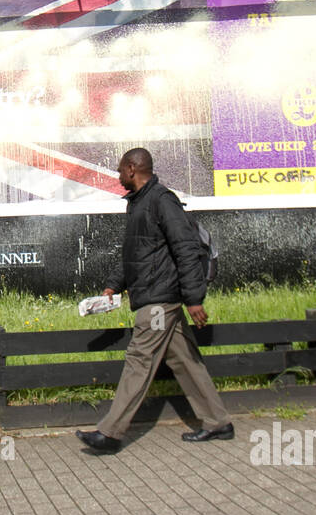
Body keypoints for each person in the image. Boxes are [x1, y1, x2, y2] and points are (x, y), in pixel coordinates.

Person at [76, 148, 233, 453]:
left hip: (159, 301)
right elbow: (135, 254)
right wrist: (113, 287)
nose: (118, 175)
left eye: (121, 170)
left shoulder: (162, 200)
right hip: (156, 297)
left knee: (139, 359)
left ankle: (110, 433)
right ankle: (218, 422)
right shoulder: (139, 204)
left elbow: (186, 248)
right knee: (185, 360)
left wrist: (194, 298)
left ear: (133, 169)